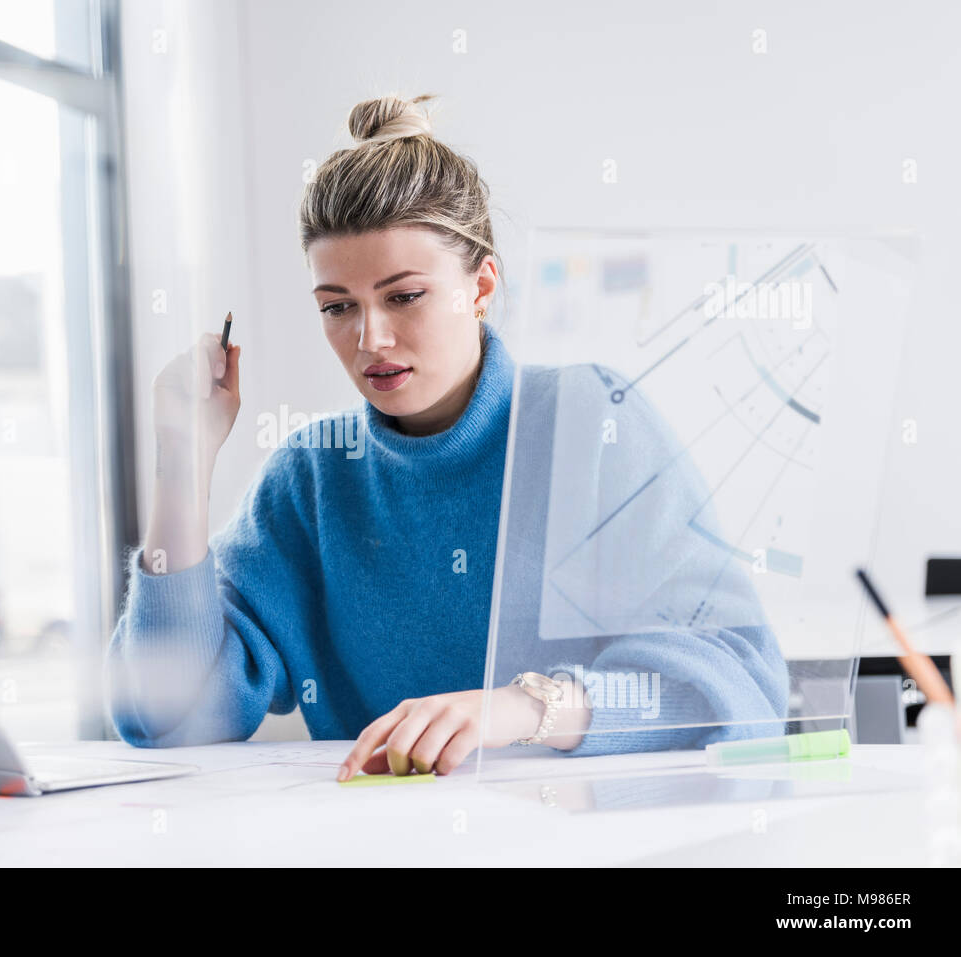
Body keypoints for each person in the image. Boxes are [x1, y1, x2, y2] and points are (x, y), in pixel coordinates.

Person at [106, 93, 789, 778]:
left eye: (404, 296)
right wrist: (181, 464)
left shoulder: (591, 421)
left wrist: (523, 708)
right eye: (338, 306)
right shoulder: (313, 475)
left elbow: (741, 676)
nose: (370, 338)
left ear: (481, 285)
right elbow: (164, 715)